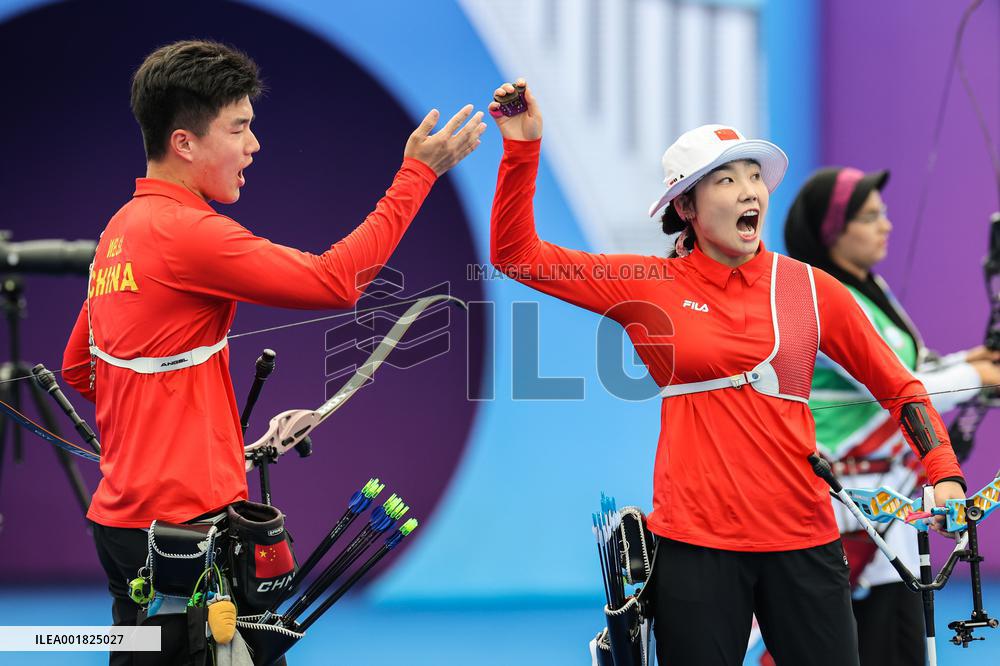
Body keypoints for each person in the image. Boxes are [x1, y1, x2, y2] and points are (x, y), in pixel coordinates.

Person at [487, 79, 966, 666]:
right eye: (726, 180)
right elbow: (516, 256)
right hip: (695, 545)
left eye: (753, 176)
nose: (749, 191)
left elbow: (900, 387)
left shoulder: (810, 290)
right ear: (685, 207)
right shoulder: (648, 285)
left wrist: (943, 470)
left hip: (806, 539)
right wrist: (522, 148)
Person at [61, 40, 486, 665]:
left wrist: (193, 436)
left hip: (124, 527)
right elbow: (335, 281)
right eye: (239, 128)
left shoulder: (119, 231)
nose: (253, 145)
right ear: (185, 143)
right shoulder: (188, 233)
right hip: (191, 531)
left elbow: (81, 366)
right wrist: (417, 173)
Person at [778, 166, 1000, 666]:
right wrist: (977, 377)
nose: (887, 226)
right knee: (832, 643)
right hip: (844, 505)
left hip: (892, 502)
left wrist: (972, 362)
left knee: (896, 635)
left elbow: (911, 369)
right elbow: (893, 390)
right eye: (871, 217)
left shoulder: (870, 286)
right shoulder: (823, 300)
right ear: (833, 231)